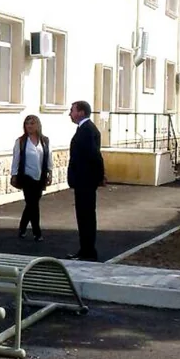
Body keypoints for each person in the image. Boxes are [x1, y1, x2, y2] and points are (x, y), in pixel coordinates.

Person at [67, 100, 105, 261]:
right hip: (83, 180)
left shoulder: (87, 130)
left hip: (85, 180)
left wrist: (99, 176)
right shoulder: (84, 129)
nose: (70, 114)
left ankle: (88, 251)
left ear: (81, 112)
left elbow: (95, 156)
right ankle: (85, 250)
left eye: (72, 110)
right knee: (83, 216)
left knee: (86, 217)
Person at [11, 114, 52, 241]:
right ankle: (37, 232)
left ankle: (22, 227)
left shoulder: (44, 140)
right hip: (26, 176)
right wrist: (14, 174)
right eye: (27, 124)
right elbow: (16, 158)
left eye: (32, 123)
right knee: (33, 204)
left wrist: (50, 172)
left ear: (37, 125)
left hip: (40, 176)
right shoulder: (21, 141)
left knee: (31, 204)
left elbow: (49, 156)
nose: (29, 126)